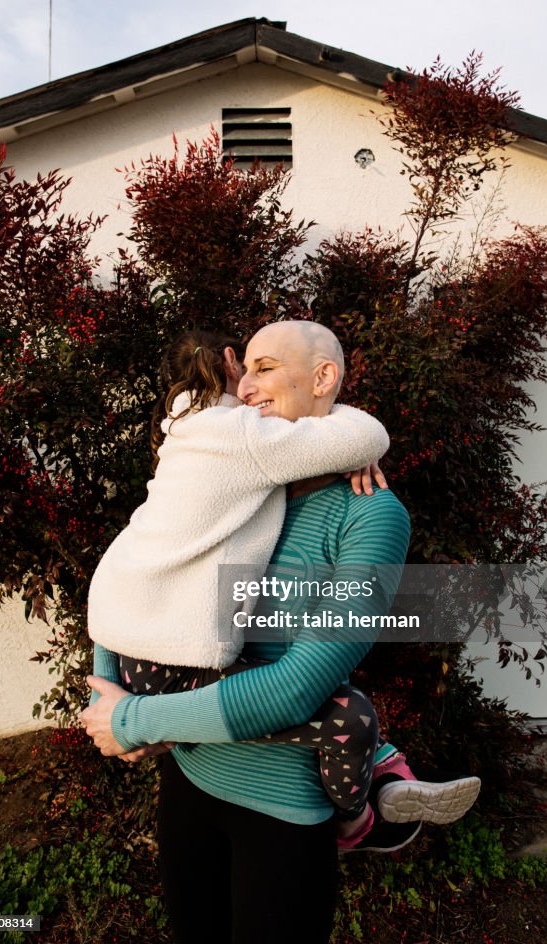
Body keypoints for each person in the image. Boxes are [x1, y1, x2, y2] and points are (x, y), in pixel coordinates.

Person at [83, 321, 480, 944]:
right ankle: (382, 782)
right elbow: (140, 574)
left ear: (324, 378)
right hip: (186, 782)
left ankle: (374, 791)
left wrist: (136, 720)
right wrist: (106, 690)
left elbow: (299, 688)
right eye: (243, 370)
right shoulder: (237, 485)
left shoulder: (372, 515)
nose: (243, 387)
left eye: (264, 368)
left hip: (279, 814)